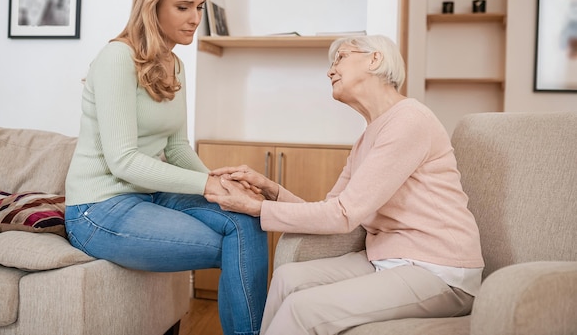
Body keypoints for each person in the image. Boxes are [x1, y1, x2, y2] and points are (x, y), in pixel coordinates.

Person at [205, 34, 485, 335]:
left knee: (303, 309)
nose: (330, 71)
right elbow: (332, 210)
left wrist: (258, 209)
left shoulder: (409, 121)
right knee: (287, 278)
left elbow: (342, 214)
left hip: (438, 271)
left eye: (340, 58)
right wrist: (269, 189)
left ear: (374, 59)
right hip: (386, 259)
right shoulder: (367, 137)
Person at [64, 0, 268, 335]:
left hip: (150, 195)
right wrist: (207, 186)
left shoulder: (174, 64)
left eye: (200, 6)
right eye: (183, 7)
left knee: (248, 219)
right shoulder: (115, 59)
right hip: (99, 209)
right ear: (151, 6)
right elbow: (123, 161)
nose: (195, 17)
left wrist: (220, 184)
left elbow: (176, 147)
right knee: (238, 243)